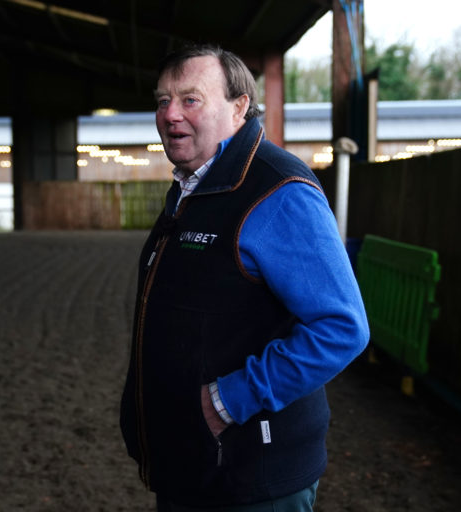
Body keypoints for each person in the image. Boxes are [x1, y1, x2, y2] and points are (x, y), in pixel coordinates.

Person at [119, 44, 369, 511]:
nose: (170, 114)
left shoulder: (276, 190)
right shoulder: (197, 186)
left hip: (251, 476)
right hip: (193, 463)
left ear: (239, 107)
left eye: (190, 99)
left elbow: (343, 328)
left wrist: (226, 402)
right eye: (161, 100)